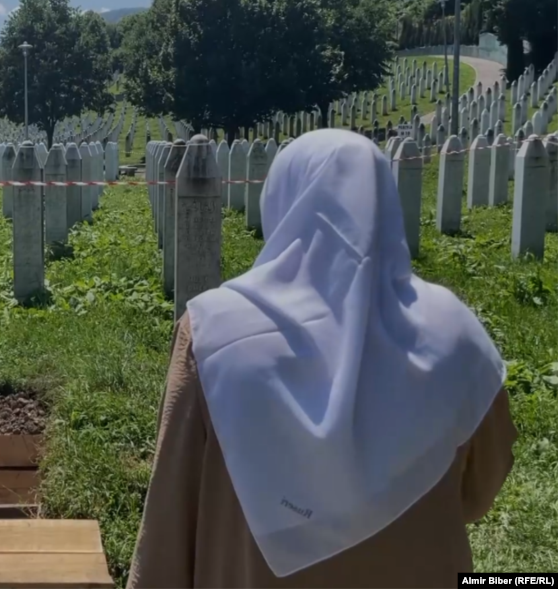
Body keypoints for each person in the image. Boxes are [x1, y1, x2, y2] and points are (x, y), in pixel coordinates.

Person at [127, 130, 516, 589]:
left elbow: (172, 514)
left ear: (284, 204)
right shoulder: (456, 333)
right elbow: (481, 488)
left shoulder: (213, 332)